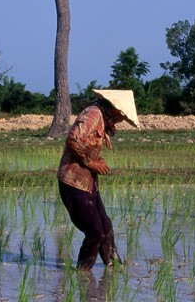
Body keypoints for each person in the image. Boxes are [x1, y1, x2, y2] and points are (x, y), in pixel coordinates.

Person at [57, 89, 139, 272]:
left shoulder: (102, 116)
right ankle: (82, 273)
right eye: (121, 117)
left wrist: (96, 161)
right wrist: (92, 162)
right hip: (73, 182)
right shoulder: (93, 114)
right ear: (116, 110)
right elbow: (73, 140)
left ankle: (113, 267)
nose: (120, 121)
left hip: (87, 183)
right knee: (94, 231)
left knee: (105, 225)